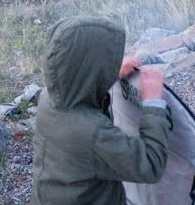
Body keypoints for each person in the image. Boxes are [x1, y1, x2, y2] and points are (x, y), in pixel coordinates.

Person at [31, 16, 170, 205]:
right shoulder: (92, 132)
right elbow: (150, 165)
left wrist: (110, 74)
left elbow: (81, 83)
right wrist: (153, 103)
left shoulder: (49, 98)